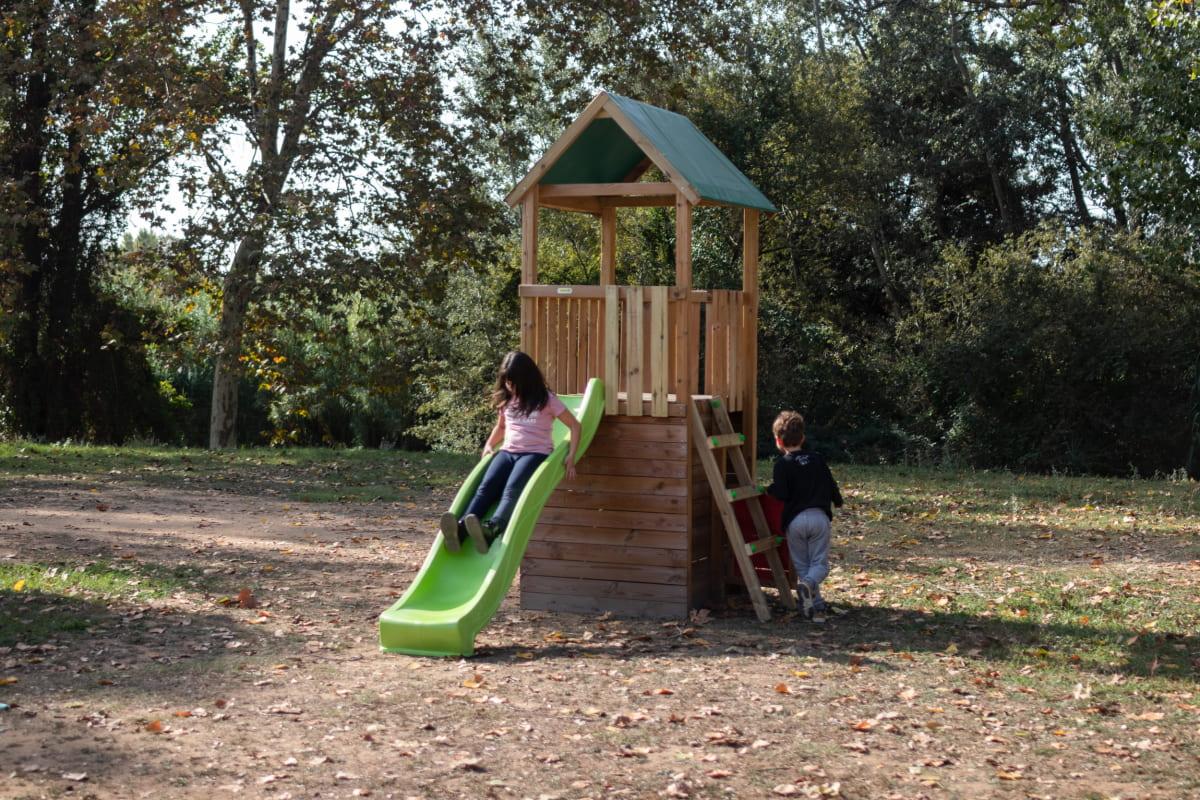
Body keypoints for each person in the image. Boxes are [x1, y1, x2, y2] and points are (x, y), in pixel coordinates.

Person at [440, 351, 581, 554]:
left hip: (535, 453)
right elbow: (501, 427)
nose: (510, 386)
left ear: (526, 379)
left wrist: (571, 456)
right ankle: (461, 529)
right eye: (507, 381)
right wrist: (489, 444)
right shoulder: (507, 399)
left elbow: (575, 426)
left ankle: (492, 529)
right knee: (485, 487)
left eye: (513, 381)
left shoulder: (546, 399)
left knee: (511, 490)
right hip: (507, 452)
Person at [766, 410, 844, 621]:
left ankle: (813, 603)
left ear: (778, 441)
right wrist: (837, 500)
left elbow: (781, 493)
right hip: (819, 518)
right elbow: (830, 483)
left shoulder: (782, 465)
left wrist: (768, 490)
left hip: (795, 522)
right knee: (819, 565)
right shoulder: (817, 459)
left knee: (802, 566)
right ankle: (808, 588)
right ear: (802, 437)